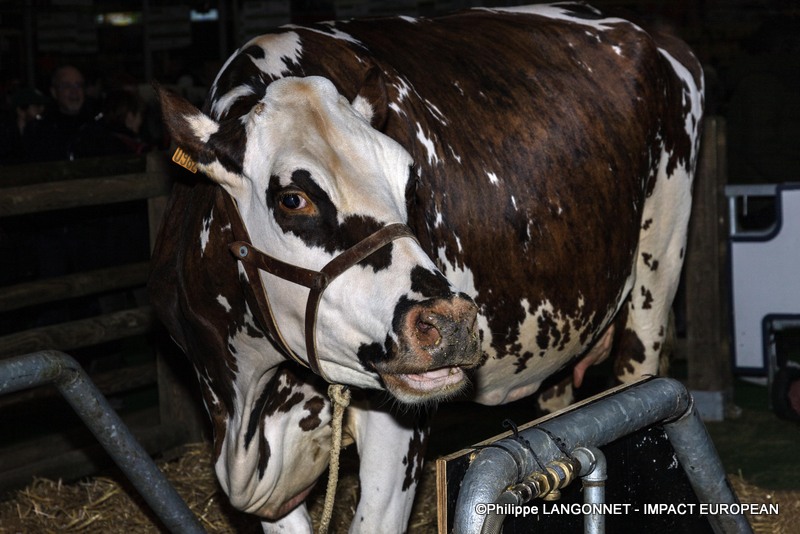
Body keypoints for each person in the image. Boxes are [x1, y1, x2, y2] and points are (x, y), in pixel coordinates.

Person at [24, 65, 95, 162]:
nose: (74, 92)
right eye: (67, 86)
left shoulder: (97, 125)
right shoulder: (39, 130)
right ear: (54, 92)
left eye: (78, 85)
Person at [0, 87, 48, 165]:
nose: (42, 109)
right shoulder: (6, 136)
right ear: (21, 110)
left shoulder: (44, 132)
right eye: (37, 106)